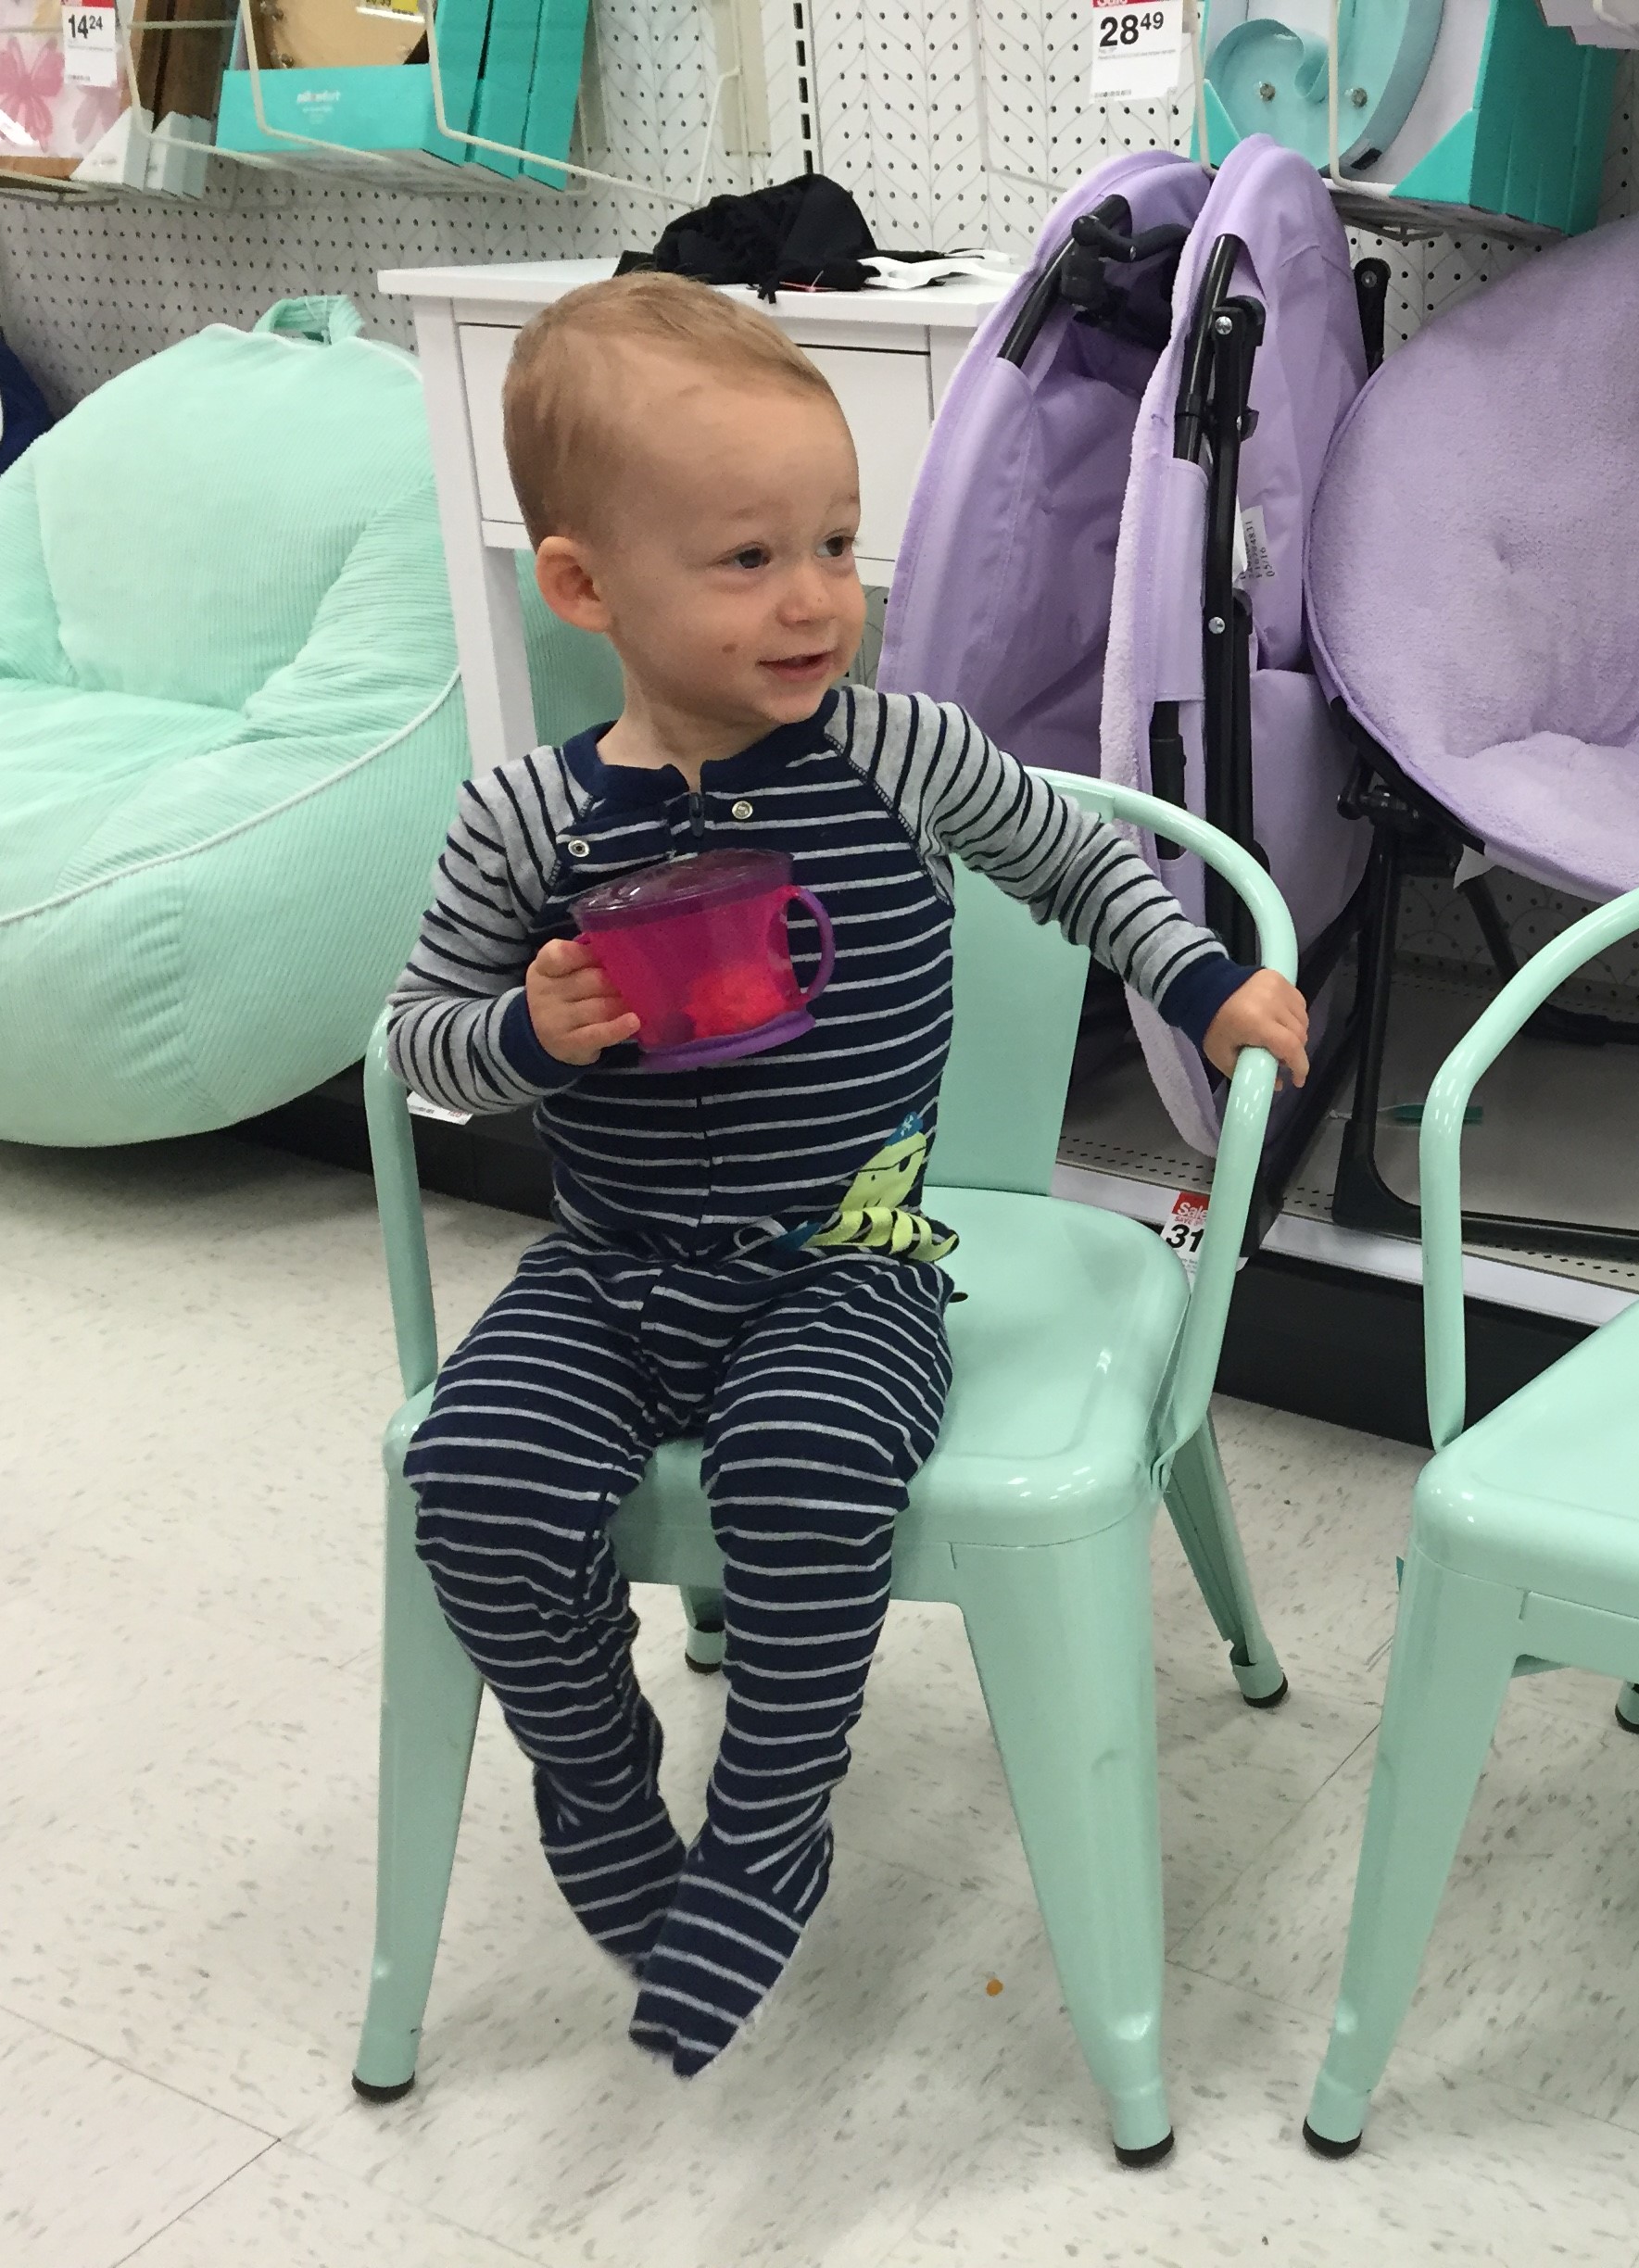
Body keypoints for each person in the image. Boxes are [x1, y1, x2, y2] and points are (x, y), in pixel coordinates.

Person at [384, 271, 1310, 2076]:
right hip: (609, 1259)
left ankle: (770, 1822)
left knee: (810, 1476)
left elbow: (1079, 868)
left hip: (855, 1251)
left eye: (831, 541)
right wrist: (525, 1034)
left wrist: (1202, 985)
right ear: (581, 589)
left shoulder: (903, 756)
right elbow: (412, 1035)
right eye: (744, 560)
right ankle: (595, 1788)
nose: (815, 597)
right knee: (476, 1482)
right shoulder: (531, 820)